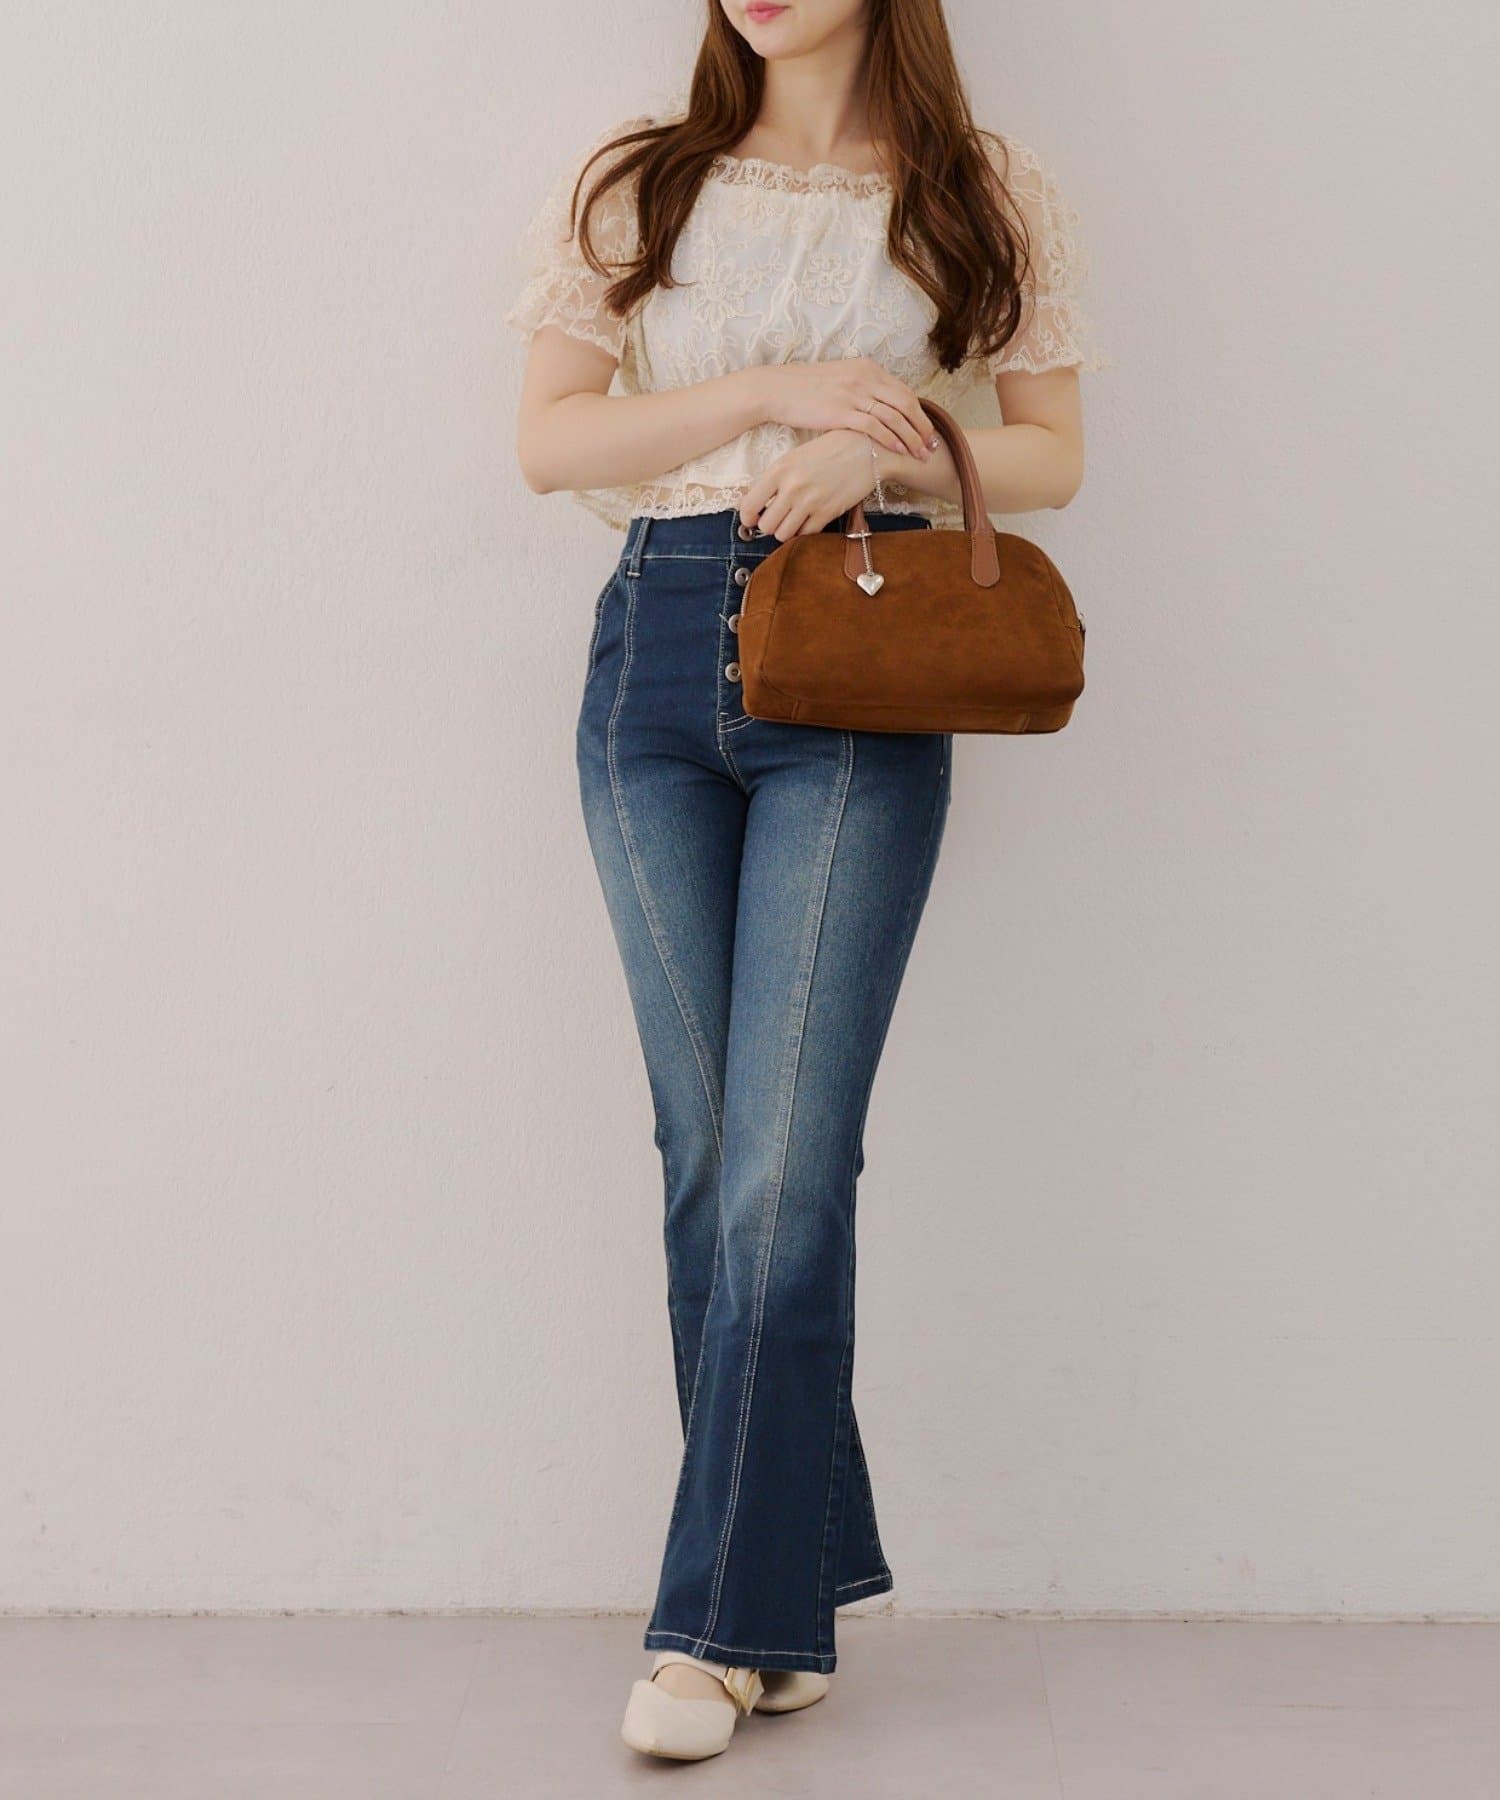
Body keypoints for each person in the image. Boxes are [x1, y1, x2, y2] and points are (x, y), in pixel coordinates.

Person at [505, 0, 1102, 1764]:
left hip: (856, 662)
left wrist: (891, 446)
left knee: (783, 1158)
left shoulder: (981, 187)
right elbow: (551, 440)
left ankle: (710, 1635)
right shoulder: (641, 180)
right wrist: (771, 393)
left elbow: (1057, 454)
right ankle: (792, 1584)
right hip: (650, 656)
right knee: (710, 1153)